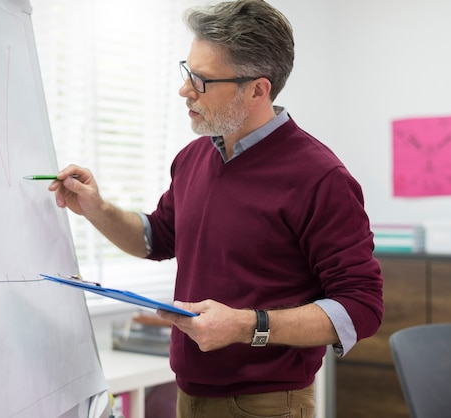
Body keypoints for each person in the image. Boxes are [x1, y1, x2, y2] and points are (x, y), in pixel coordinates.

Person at [49, 1, 384, 417]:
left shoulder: (320, 176)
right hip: (188, 396)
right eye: (187, 72)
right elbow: (156, 237)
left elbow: (361, 306)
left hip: (268, 405)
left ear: (258, 89)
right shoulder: (193, 158)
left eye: (202, 80)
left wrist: (249, 326)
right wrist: (96, 209)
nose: (185, 90)